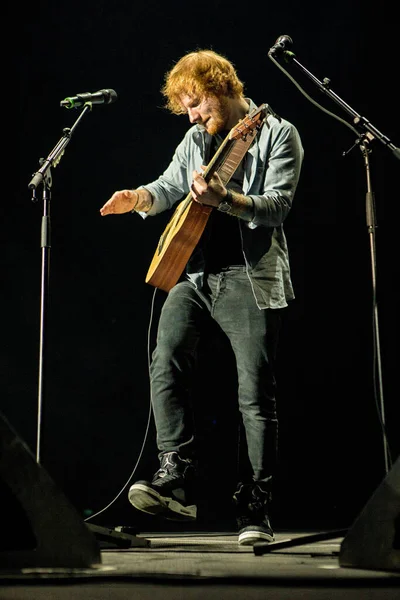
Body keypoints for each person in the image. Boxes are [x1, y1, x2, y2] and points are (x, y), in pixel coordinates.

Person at [100, 49, 304, 545]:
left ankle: (255, 503)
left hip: (250, 276)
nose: (192, 116)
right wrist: (139, 199)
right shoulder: (196, 139)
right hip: (193, 275)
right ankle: (177, 474)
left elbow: (277, 208)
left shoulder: (278, 133)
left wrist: (225, 199)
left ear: (223, 88)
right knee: (165, 357)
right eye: (187, 109)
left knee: (254, 393)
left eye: (196, 103)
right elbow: (170, 186)